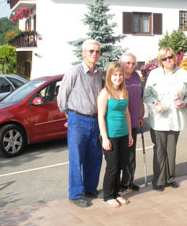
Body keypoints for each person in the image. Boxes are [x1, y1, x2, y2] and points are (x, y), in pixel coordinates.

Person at [57, 39, 103, 208]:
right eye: (91, 51)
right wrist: (69, 116)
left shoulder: (99, 74)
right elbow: (62, 97)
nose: (94, 54)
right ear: (83, 53)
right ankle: (75, 194)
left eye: (97, 51)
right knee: (77, 158)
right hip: (78, 120)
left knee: (95, 156)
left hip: (94, 119)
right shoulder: (73, 72)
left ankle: (90, 189)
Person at [144, 47, 187, 192]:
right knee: (160, 151)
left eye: (170, 57)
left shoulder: (184, 74)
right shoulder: (154, 74)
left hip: (176, 118)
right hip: (159, 119)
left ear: (175, 57)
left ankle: (170, 178)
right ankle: (158, 180)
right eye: (164, 58)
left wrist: (185, 103)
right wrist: (155, 104)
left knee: (171, 150)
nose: (168, 60)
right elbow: (147, 95)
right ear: (160, 60)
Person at [98, 62, 133, 207]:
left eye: (120, 75)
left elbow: (127, 114)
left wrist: (130, 134)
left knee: (120, 165)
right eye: (115, 75)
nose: (118, 78)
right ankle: (107, 196)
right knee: (112, 167)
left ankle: (116, 193)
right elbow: (100, 116)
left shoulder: (124, 92)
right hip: (110, 135)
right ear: (110, 76)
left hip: (123, 134)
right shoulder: (105, 93)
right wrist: (105, 138)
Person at [120, 53, 144, 191]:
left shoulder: (136, 76)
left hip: (134, 122)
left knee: (131, 154)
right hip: (120, 123)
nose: (130, 66)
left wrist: (141, 116)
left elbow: (140, 98)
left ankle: (128, 182)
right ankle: (118, 184)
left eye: (133, 63)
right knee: (120, 155)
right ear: (122, 63)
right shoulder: (118, 76)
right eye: (128, 63)